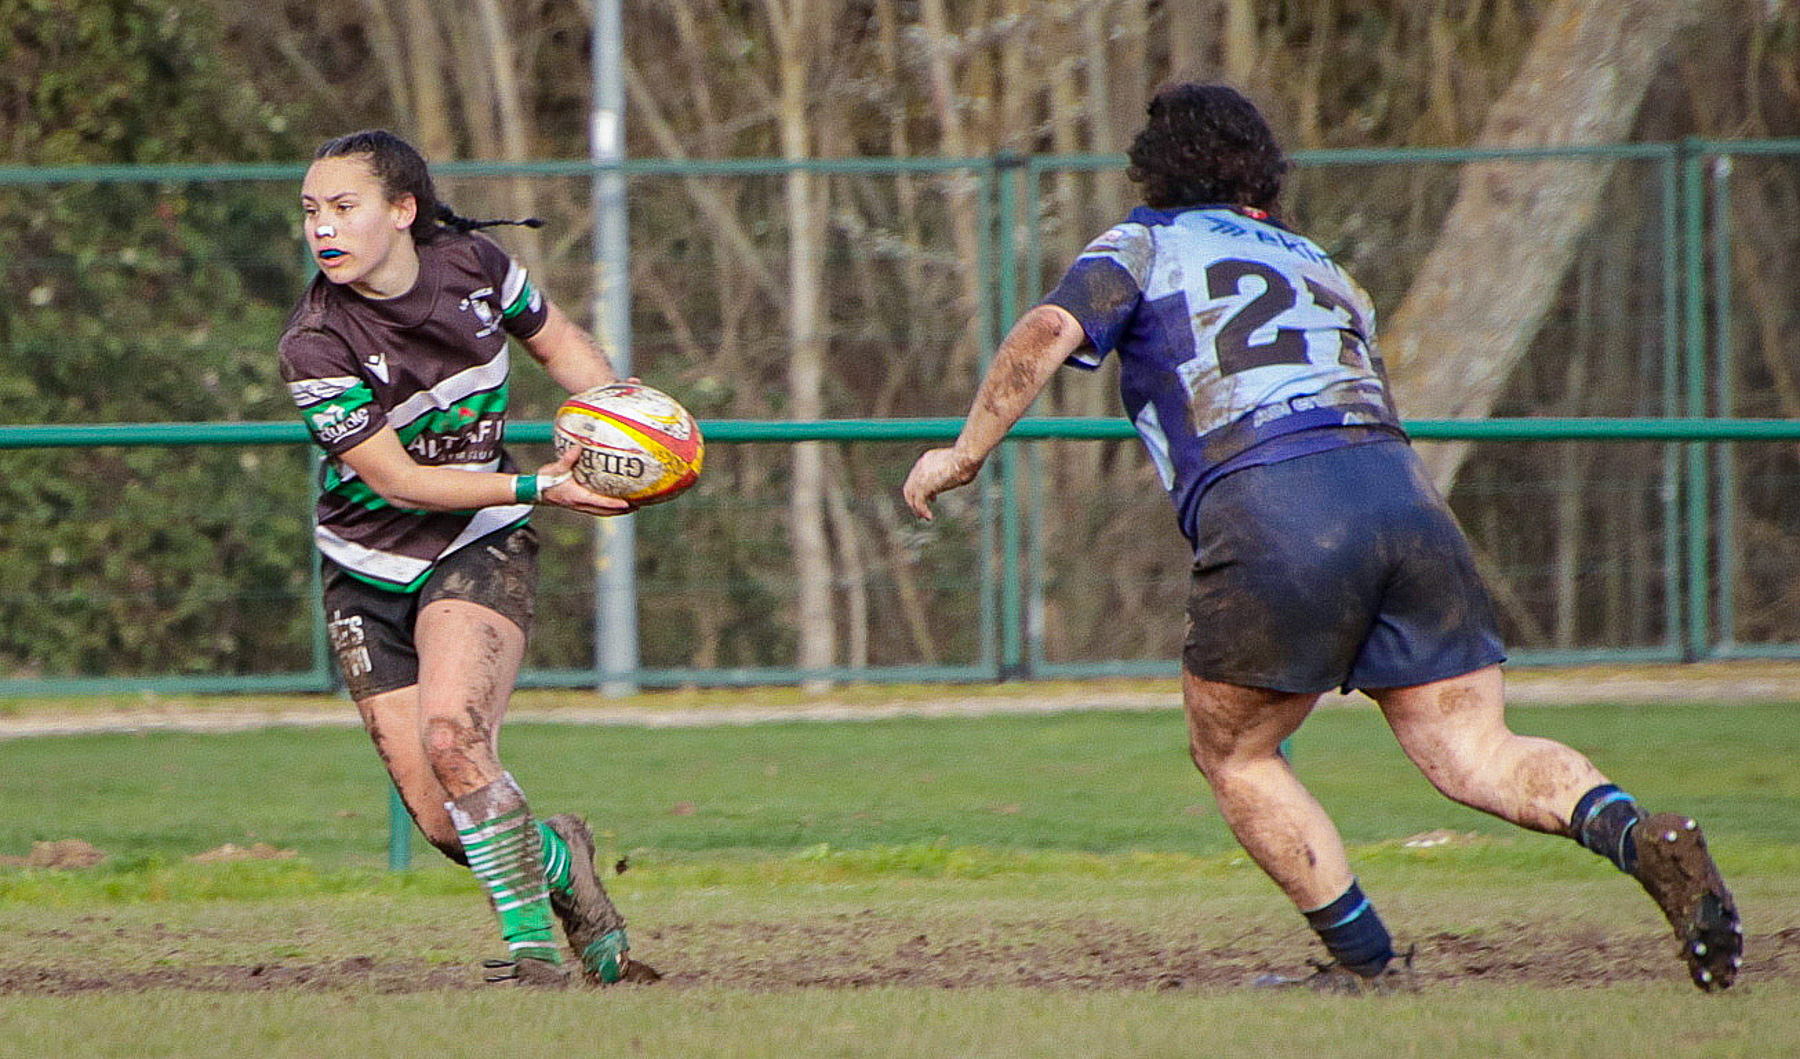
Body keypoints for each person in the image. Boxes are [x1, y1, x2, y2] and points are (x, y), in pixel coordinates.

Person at [901, 84, 1742, 993]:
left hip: (1274, 502)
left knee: (1235, 752)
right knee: (1476, 749)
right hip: (1402, 495)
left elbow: (1047, 330)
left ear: (1157, 169)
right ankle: (1634, 830)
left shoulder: (1143, 241)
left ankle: (1370, 965)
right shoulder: (1324, 265)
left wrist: (965, 450)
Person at [278, 129, 658, 988]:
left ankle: (536, 955)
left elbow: (562, 346)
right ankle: (562, 858)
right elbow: (401, 481)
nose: (322, 228)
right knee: (450, 823)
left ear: (403, 211)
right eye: (310, 211)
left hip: (477, 543)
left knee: (456, 735)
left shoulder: (477, 267)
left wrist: (621, 421)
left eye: (344, 207)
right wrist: (541, 487)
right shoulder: (316, 341)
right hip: (367, 570)